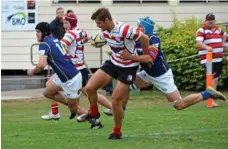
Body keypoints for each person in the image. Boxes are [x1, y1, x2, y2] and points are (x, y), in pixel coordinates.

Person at [104, 17, 227, 116]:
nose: (137, 28)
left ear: (146, 28)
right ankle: (120, 110)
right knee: (126, 85)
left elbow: (149, 59)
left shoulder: (154, 39)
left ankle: (207, 93)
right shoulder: (136, 40)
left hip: (161, 76)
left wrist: (130, 57)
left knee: (179, 105)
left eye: (140, 26)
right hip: (147, 74)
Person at [80, 8, 149, 139]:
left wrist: (144, 56)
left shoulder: (124, 29)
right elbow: (98, 39)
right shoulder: (104, 31)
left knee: (116, 101)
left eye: (99, 23)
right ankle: (94, 113)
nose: (98, 26)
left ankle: (117, 131)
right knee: (89, 87)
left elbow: (144, 38)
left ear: (107, 20)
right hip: (114, 62)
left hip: (128, 67)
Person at [41, 13, 112, 123]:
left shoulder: (70, 34)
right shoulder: (81, 31)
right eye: (63, 23)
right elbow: (88, 39)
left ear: (71, 23)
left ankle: (109, 109)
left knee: (91, 94)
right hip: (78, 68)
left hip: (73, 69)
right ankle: (58, 112)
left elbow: (62, 47)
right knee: (49, 87)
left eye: (66, 23)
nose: (64, 26)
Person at [27, 22, 85, 120]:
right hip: (66, 75)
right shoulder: (55, 40)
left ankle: (95, 121)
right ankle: (68, 106)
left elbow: (41, 65)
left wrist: (32, 71)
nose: (36, 34)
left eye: (38, 31)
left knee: (75, 107)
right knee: (47, 92)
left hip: (71, 79)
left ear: (45, 33)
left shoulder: (44, 43)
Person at [196, 13, 227, 107]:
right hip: (208, 59)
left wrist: (222, 43)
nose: (210, 21)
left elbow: (225, 35)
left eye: (212, 19)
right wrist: (207, 47)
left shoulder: (218, 29)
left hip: (218, 59)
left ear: (214, 21)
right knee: (211, 77)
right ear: (205, 21)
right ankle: (210, 100)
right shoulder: (202, 30)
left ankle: (211, 99)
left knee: (216, 78)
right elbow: (198, 42)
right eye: (208, 19)